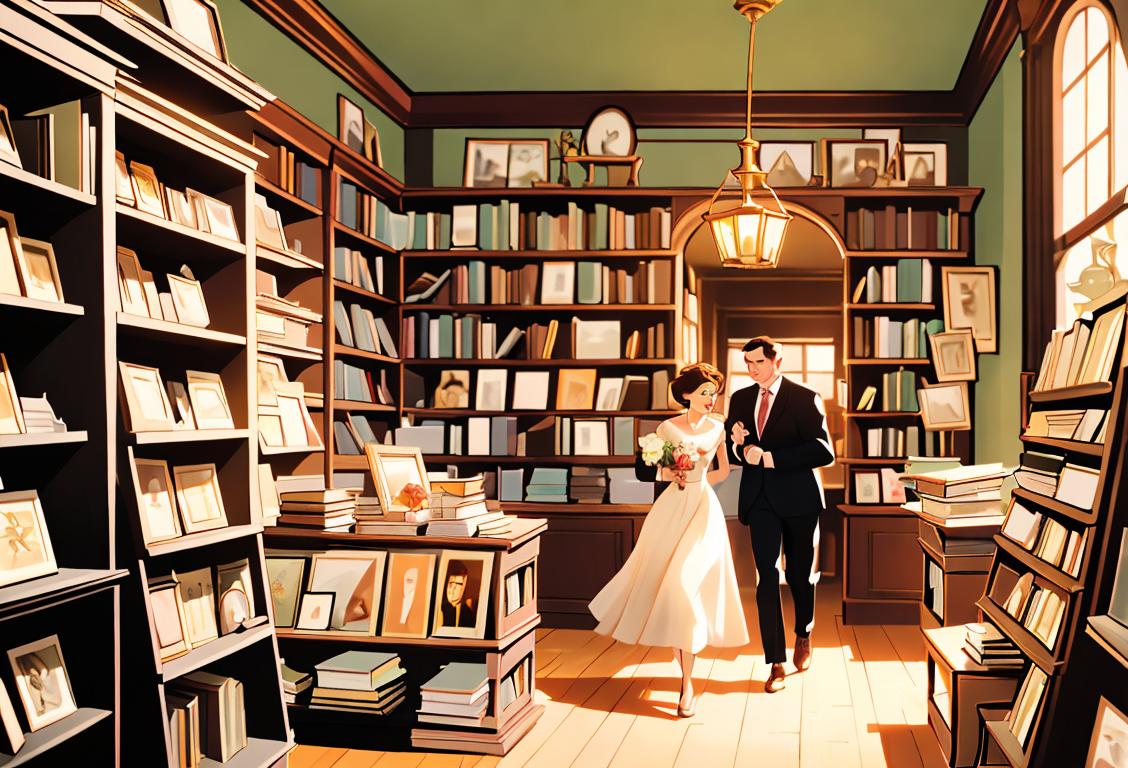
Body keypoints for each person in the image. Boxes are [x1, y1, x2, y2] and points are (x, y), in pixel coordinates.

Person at [589, 362, 749, 718]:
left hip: (703, 510)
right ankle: (687, 681)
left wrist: (699, 478)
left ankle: (687, 683)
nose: (711, 399)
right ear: (687, 394)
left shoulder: (718, 428)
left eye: (714, 393)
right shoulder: (666, 428)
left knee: (683, 584)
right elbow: (644, 469)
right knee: (670, 588)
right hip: (670, 510)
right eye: (704, 393)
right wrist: (670, 473)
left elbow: (722, 470)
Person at [725, 337, 834, 693]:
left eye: (759, 361)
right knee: (766, 577)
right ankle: (775, 662)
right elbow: (731, 445)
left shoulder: (804, 397)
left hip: (800, 500)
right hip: (760, 501)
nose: (752, 369)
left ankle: (804, 632)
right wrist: (742, 451)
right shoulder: (740, 399)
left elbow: (823, 451)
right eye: (748, 363)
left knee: (800, 576)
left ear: (777, 361)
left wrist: (770, 458)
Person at [441, 561, 477, 628]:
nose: (452, 588)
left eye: (458, 584)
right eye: (451, 582)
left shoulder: (467, 614)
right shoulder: (441, 608)